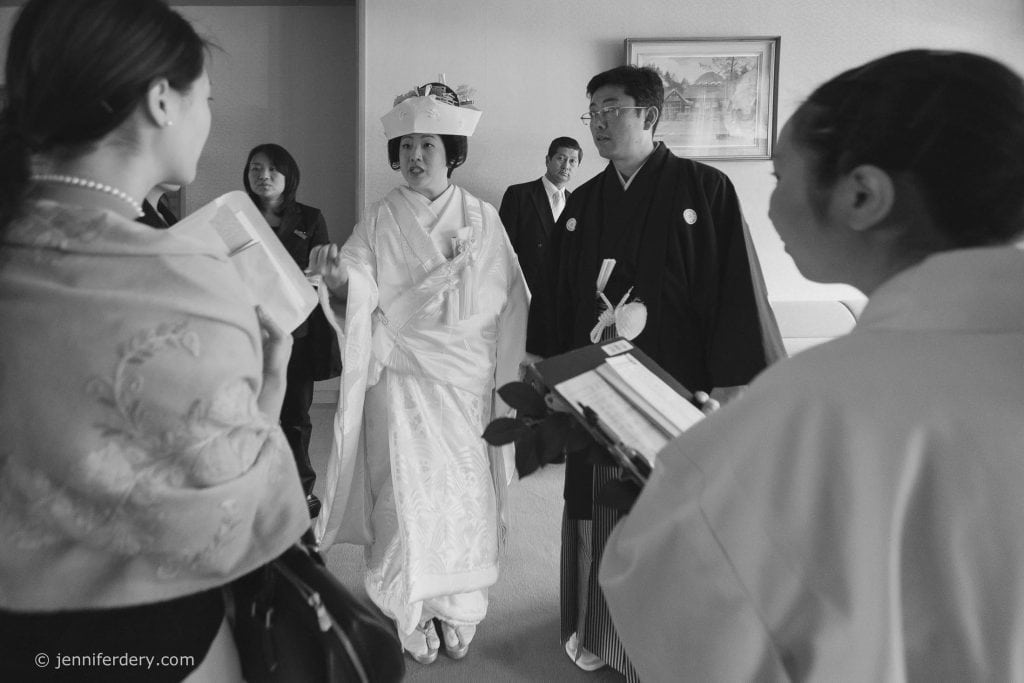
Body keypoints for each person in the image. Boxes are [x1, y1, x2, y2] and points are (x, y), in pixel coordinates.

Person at [599, 49, 1024, 681]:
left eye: (778, 178)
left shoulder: (813, 406)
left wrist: (690, 463)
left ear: (862, 194)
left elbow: (676, 606)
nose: (769, 207)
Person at [0, 1, 310, 681]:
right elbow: (231, 510)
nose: (209, 118)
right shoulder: (189, 276)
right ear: (162, 100)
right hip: (141, 639)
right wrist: (273, 378)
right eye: (207, 98)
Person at [547, 65, 785, 679]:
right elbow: (560, 299)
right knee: (598, 498)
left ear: (650, 116)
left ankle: (676, 637)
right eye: (592, 111)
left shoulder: (706, 189)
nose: (599, 122)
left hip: (683, 386)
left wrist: (731, 385)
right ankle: (600, 629)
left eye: (613, 109)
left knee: (674, 508)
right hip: (601, 387)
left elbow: (736, 290)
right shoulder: (584, 204)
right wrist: (552, 374)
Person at [307, 81, 528, 665]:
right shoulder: (379, 217)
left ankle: (454, 605)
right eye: (405, 144)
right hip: (401, 383)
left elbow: (508, 300)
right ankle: (408, 604)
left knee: (463, 493)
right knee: (404, 496)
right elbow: (356, 275)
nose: (414, 155)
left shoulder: (483, 218)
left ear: (452, 151)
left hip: (461, 384)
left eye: (428, 143)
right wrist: (338, 281)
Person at [243, 142, 337, 519]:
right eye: (255, 169)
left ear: (288, 177)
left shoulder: (310, 218)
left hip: (297, 333)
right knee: (249, 414)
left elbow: (321, 275)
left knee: (295, 417)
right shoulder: (237, 216)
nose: (263, 176)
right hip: (248, 333)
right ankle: (254, 487)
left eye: (272, 170)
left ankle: (301, 488)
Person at [499, 136, 581, 358]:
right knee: (517, 358)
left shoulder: (577, 204)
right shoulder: (519, 195)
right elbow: (502, 250)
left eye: (572, 161)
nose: (566, 166)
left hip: (558, 301)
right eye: (560, 158)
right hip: (521, 294)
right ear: (548, 159)